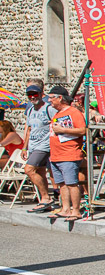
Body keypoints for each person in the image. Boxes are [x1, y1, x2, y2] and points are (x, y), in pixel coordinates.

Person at [47, 85, 87, 222]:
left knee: (71, 183)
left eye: (51, 98)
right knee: (61, 184)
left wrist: (62, 130)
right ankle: (65, 209)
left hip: (69, 154)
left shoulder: (74, 112)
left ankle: (76, 210)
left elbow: (82, 130)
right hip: (56, 155)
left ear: (60, 98)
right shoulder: (57, 114)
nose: (49, 100)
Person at [21, 81, 58, 212]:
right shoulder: (30, 110)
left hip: (44, 145)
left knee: (29, 169)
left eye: (34, 94)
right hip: (33, 145)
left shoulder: (49, 108)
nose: (32, 97)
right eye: (29, 95)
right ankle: (45, 198)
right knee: (40, 172)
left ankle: (46, 198)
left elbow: (58, 122)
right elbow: (29, 130)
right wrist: (25, 147)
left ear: (42, 94)